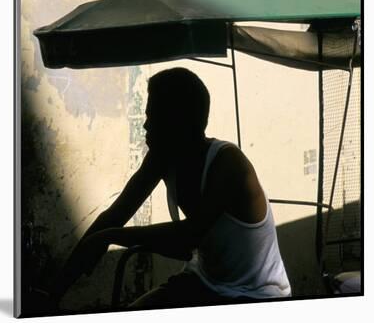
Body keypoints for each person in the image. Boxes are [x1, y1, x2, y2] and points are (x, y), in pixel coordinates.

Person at [49, 67, 291, 309]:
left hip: (257, 296)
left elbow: (188, 239)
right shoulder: (162, 158)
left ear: (176, 121)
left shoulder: (228, 163)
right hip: (204, 281)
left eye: (152, 116)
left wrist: (111, 236)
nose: (145, 125)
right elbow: (115, 215)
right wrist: (53, 291)